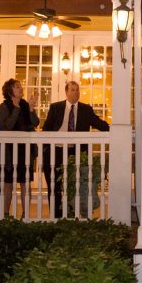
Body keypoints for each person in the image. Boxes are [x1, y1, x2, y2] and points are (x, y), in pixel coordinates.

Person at [41, 80, 109, 215]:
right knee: (54, 185)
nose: (75, 92)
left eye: (77, 90)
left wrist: (117, 129)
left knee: (73, 186)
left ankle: (71, 214)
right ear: (66, 92)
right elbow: (46, 129)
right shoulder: (56, 107)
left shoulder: (86, 109)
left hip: (76, 152)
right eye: (72, 90)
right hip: (57, 150)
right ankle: (56, 215)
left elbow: (99, 124)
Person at [0, 79, 38, 218]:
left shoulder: (26, 104)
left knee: (25, 183)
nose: (20, 89)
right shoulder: (4, 106)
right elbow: (5, 126)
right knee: (8, 183)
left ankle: (25, 215)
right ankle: (6, 215)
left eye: (20, 86)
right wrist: (16, 109)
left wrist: (31, 108)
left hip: (26, 149)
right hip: (10, 150)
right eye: (17, 87)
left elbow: (35, 122)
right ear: (10, 91)